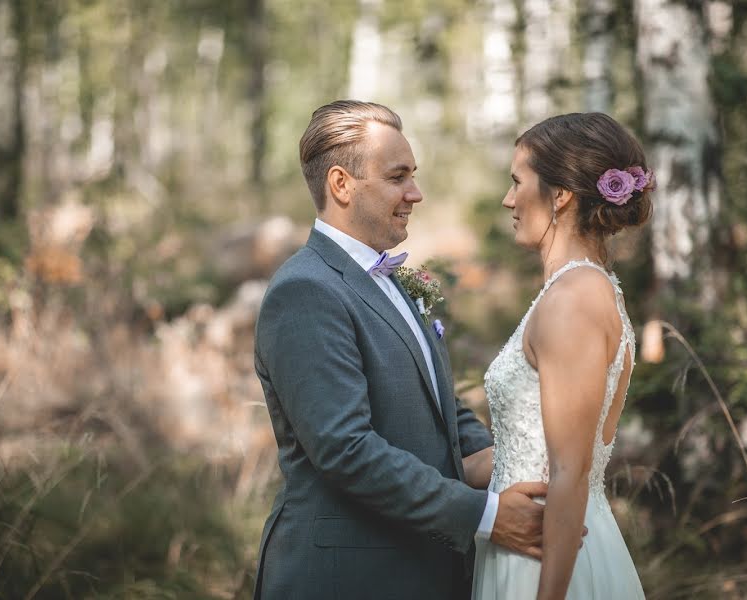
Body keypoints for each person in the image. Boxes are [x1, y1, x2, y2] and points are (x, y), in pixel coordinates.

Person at [252, 100, 548, 600]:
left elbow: (435, 403)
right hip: (345, 577)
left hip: (420, 566)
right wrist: (489, 516)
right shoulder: (305, 291)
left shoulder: (395, 280)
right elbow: (346, 450)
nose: (416, 193)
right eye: (398, 177)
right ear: (341, 184)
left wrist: (500, 460)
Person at [471, 112, 653, 599]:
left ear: (560, 195)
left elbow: (569, 472)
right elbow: (528, 446)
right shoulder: (576, 290)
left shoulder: (573, 301)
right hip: (532, 541)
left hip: (549, 561)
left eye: (517, 182)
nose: (508, 200)